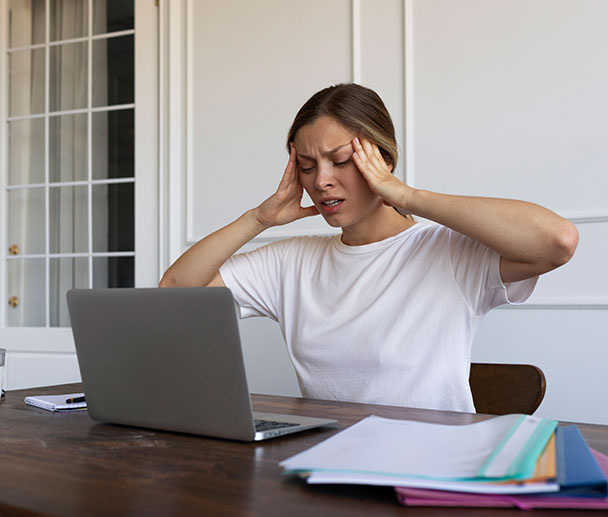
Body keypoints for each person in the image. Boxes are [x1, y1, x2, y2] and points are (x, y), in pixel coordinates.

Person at [159, 83, 578, 412]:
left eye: (340, 161)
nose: (321, 180)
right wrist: (257, 219)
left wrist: (407, 196)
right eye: (307, 166)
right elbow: (176, 292)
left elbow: (556, 240)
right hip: (330, 471)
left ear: (383, 160)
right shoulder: (291, 262)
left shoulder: (446, 252)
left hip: (430, 472)